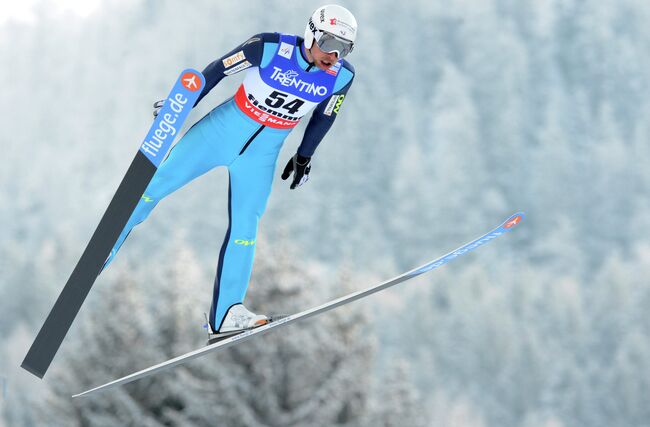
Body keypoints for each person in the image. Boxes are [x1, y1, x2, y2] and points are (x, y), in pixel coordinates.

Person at [101, 4, 357, 336]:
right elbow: (218, 69)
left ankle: (226, 312)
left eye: (344, 48)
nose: (334, 55)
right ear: (311, 33)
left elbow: (325, 116)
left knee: (246, 224)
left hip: (262, 155)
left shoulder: (342, 76)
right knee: (157, 184)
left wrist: (305, 155)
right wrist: (182, 104)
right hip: (220, 133)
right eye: (329, 43)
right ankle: (103, 249)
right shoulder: (267, 47)